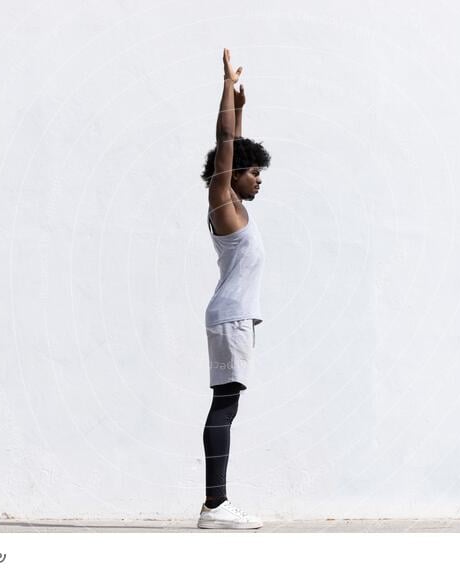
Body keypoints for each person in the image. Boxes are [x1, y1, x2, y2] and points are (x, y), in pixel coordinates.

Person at [197, 48, 271, 529]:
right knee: (225, 405)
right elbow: (225, 142)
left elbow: (234, 142)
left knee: (228, 403)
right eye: (252, 172)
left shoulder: (236, 205)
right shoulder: (223, 202)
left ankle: (215, 505)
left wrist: (240, 106)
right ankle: (216, 506)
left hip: (233, 317)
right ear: (231, 178)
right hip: (229, 317)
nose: (258, 179)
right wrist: (225, 86)